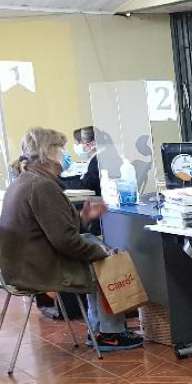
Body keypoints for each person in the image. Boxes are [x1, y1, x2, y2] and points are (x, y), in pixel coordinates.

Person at [0, 128, 143, 352]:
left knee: (92, 244)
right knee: (104, 263)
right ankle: (109, 334)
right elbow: (65, 241)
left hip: (21, 266)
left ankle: (100, 329)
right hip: (36, 270)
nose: (65, 154)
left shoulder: (25, 181)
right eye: (61, 148)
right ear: (49, 153)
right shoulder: (42, 187)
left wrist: (84, 217)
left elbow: (57, 230)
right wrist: (101, 253)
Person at [61, 126, 101, 196]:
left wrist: (59, 183)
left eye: (77, 143)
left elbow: (86, 184)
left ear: (91, 144)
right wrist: (61, 181)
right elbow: (82, 178)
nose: (75, 146)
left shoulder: (97, 161)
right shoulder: (95, 160)